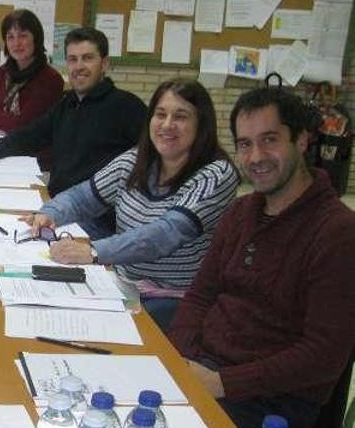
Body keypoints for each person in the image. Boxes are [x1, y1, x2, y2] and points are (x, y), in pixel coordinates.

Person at [169, 87, 355, 428]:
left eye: (269, 140)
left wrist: (219, 383)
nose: (255, 156)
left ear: (301, 140)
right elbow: (199, 295)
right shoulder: (241, 213)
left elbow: (322, 357)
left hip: (274, 402)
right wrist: (181, 361)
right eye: (244, 144)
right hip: (208, 368)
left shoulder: (338, 232)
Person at [25, 78, 239, 330]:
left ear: (201, 125)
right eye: (160, 115)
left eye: (180, 117)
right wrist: (51, 213)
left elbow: (165, 234)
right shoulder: (137, 160)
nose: (167, 125)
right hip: (123, 284)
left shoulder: (216, 174)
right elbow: (83, 197)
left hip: (176, 299)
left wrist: (94, 252)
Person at [0, 27, 147, 238]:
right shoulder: (67, 104)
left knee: (18, 241)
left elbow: (151, 163)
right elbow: (33, 134)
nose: (79, 66)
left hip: (95, 220)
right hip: (56, 205)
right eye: (73, 59)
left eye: (87, 58)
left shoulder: (127, 107)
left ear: (104, 64)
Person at [0, 9, 63, 171]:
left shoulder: (50, 79)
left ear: (36, 39)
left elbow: (21, 128)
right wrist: (1, 128)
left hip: (32, 162)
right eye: (10, 37)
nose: (16, 43)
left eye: (23, 36)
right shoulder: (4, 72)